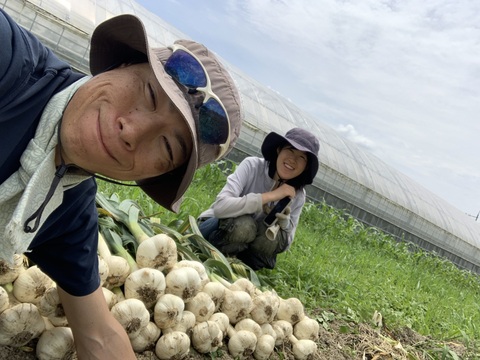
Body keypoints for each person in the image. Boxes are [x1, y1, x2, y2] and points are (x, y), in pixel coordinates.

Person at [0, 8, 242, 359]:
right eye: (149, 93)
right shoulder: (11, 64)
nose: (133, 130)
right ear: (123, 65)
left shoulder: (68, 205)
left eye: (165, 146)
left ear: (151, 176)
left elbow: (98, 335)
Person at [198, 128, 319, 270]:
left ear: (306, 167)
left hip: (246, 247)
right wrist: (271, 196)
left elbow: (285, 244)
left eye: (302, 157)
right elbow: (220, 207)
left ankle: (241, 266)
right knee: (245, 226)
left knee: (269, 238)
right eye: (290, 150)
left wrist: (285, 225)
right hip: (213, 229)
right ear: (279, 149)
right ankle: (214, 257)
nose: (293, 159)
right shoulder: (252, 166)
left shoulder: (298, 195)